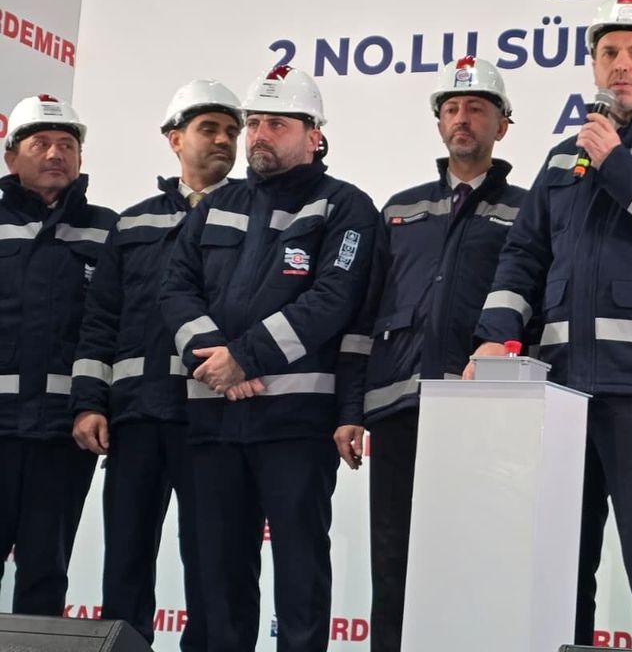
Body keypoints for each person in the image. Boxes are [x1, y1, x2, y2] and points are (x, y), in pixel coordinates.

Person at [468, 0, 632, 651]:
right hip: (563, 388)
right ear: (593, 65)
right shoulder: (565, 156)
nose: (621, 64)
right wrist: (495, 337)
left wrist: (617, 163)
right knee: (561, 564)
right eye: (608, 51)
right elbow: (524, 254)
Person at [160, 65, 379, 652]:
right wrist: (217, 362)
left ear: (314, 135)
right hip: (213, 422)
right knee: (219, 581)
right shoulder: (217, 204)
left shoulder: (346, 207)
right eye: (254, 122)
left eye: (276, 124)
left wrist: (244, 359)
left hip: (295, 427)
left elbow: (333, 299)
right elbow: (175, 290)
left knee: (300, 577)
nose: (258, 134)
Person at [337, 56, 527, 652]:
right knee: (393, 560)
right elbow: (363, 315)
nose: (462, 118)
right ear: (439, 123)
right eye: (451, 108)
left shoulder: (528, 210)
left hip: (483, 414)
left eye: (477, 108)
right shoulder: (398, 209)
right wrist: (350, 409)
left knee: (475, 559)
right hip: (399, 408)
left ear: (502, 125)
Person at [69, 80, 243, 648]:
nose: (223, 140)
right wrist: (89, 403)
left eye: (231, 131)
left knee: (213, 561)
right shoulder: (132, 223)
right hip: (136, 419)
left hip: (211, 419)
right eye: (208, 129)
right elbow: (101, 320)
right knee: (125, 558)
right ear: (174, 139)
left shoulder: (253, 216)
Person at [0, 94, 117, 615]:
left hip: (63, 434)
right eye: (40, 143)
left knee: (46, 570)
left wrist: (93, 405)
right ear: (11, 157)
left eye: (67, 144)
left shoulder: (108, 229)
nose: (55, 154)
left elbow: (112, 325)